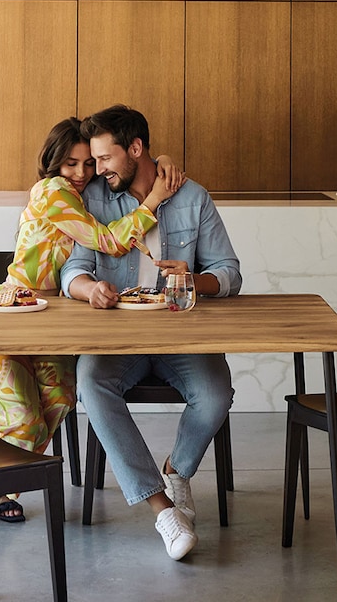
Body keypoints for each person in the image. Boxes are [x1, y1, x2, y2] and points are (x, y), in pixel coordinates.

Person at [0, 116, 185, 523]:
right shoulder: (54, 191)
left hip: (50, 318)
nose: (83, 173)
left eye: (89, 164)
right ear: (54, 162)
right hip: (11, 310)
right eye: (71, 163)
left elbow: (127, 164)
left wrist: (163, 159)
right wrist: (154, 198)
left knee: (62, 397)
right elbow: (109, 242)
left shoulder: (85, 195)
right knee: (23, 418)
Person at [60, 104, 242, 560]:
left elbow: (230, 273)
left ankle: (177, 472)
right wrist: (89, 289)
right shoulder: (94, 201)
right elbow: (72, 272)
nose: (96, 170)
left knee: (217, 391)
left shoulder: (193, 197)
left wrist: (193, 280)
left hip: (180, 335)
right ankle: (163, 509)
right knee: (90, 383)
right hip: (119, 338)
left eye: (104, 159)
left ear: (136, 149)